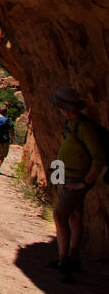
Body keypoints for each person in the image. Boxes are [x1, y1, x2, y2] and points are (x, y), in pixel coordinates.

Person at [48, 86, 106, 282]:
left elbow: (98, 158)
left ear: (65, 107)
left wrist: (84, 183)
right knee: (74, 215)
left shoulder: (83, 127)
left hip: (76, 180)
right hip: (68, 176)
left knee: (59, 214)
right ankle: (73, 257)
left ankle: (64, 261)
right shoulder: (72, 124)